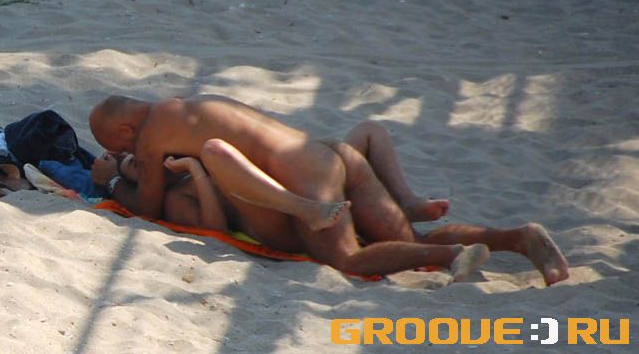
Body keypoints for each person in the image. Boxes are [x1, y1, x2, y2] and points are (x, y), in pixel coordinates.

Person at [89, 95, 570, 285]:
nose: (128, 155)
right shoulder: (187, 106)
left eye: (118, 147)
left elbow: (147, 204)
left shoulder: (152, 137)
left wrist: (110, 180)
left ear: (127, 132)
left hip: (304, 180)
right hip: (326, 151)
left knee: (349, 260)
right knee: (410, 240)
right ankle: (519, 238)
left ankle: (451, 257)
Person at [94, 149, 350, 235]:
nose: (146, 160)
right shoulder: (175, 198)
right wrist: (195, 169)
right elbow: (216, 231)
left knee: (364, 137)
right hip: (273, 217)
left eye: (142, 153)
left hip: (295, 187)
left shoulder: (182, 158)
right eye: (135, 165)